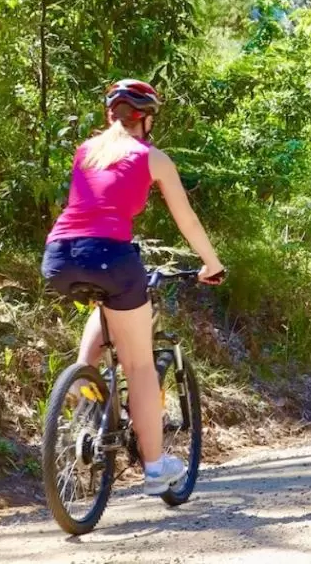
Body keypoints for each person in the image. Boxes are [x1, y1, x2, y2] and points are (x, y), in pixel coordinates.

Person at [41, 79, 225, 496]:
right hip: (111, 257)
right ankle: (156, 468)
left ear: (111, 115)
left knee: (100, 311)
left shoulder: (85, 151)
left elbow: (88, 208)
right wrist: (212, 264)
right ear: (147, 119)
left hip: (58, 255)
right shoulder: (152, 158)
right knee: (140, 365)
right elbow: (187, 221)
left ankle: (82, 396)